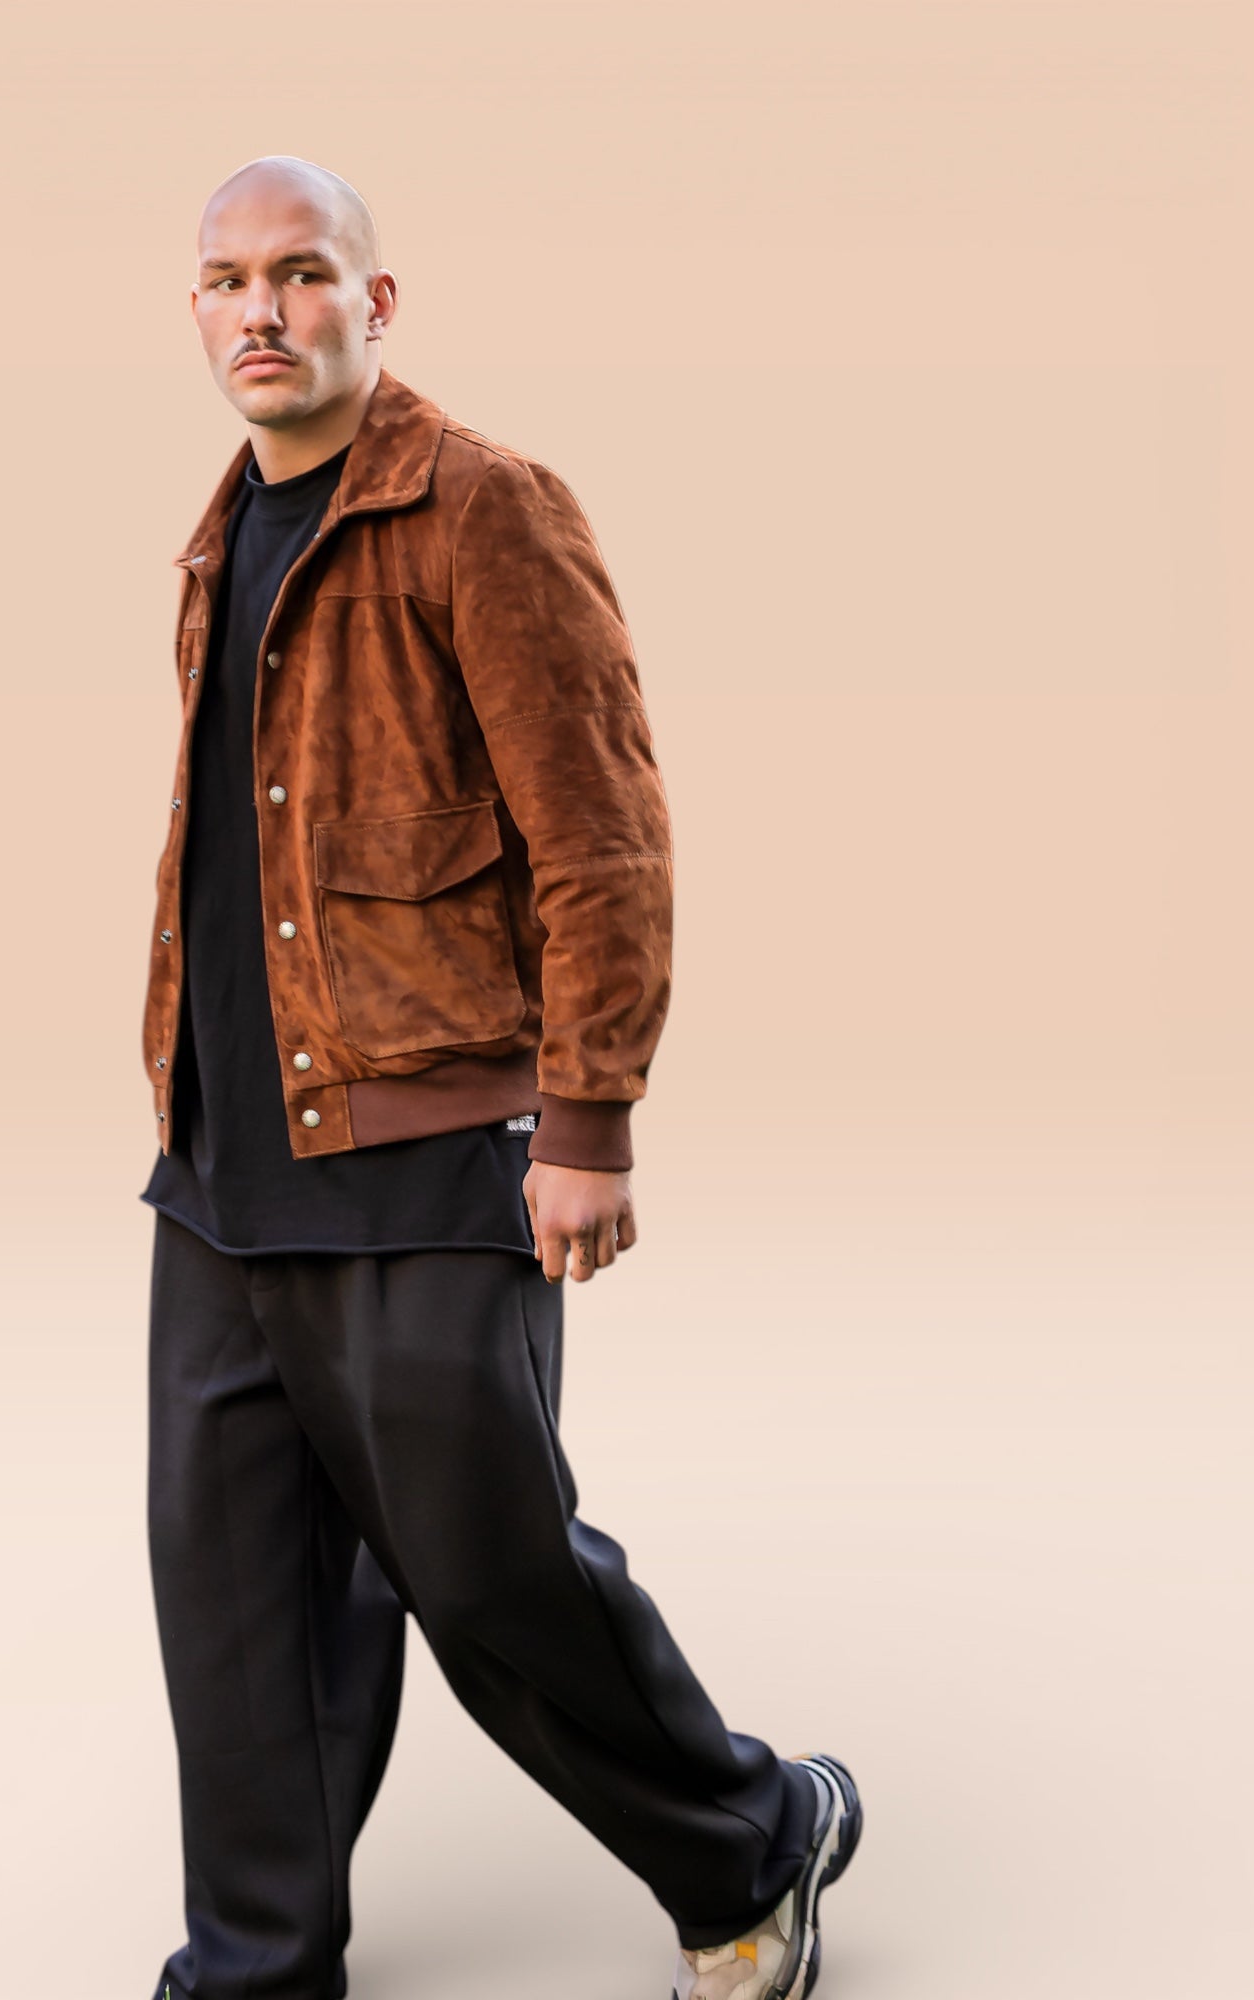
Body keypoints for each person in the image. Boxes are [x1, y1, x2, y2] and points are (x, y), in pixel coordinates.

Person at [136, 153, 863, 2000]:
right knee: (236, 1612)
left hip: (435, 1143)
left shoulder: (485, 508)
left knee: (483, 1571)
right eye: (227, 280)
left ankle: (752, 1840)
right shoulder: (220, 537)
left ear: (376, 302)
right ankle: (255, 1967)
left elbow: (602, 832)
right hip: (224, 1170)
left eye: (304, 273)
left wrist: (591, 1119)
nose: (262, 310)